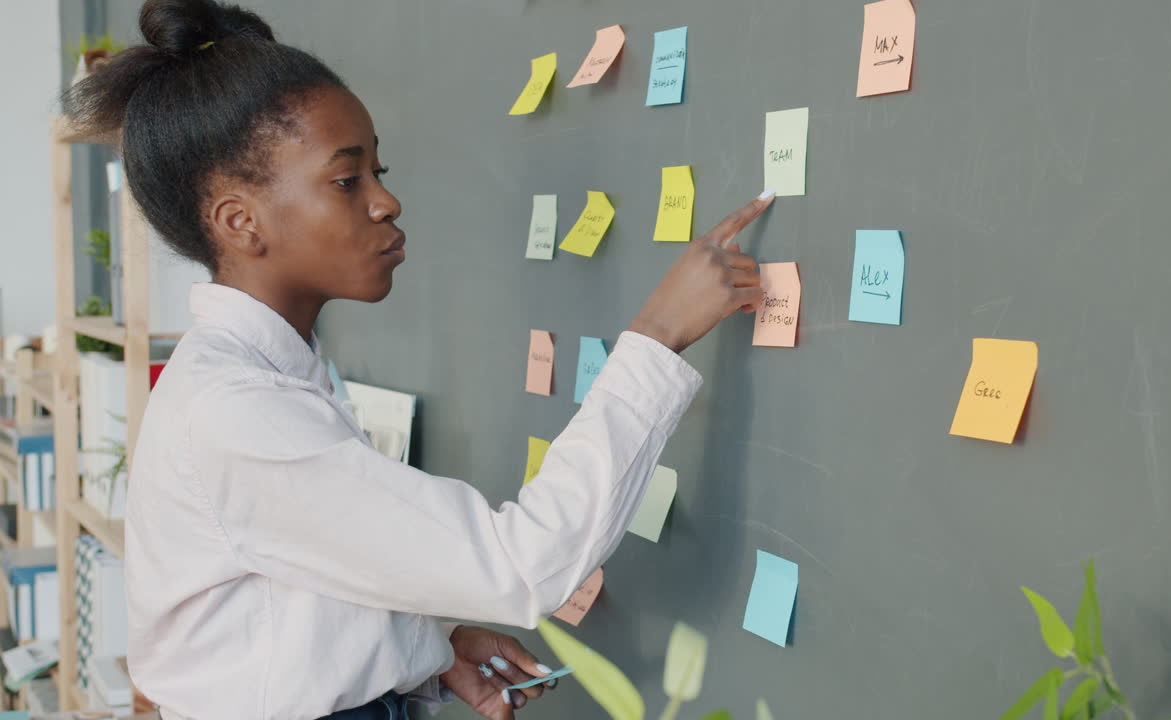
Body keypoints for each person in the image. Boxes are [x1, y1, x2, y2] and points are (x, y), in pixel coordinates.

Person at [63, 1, 774, 718]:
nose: (387, 201)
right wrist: (657, 334)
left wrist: (421, 650)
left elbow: (289, 589)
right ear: (240, 221)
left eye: (380, 170)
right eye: (348, 181)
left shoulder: (264, 375)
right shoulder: (238, 411)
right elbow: (524, 564)